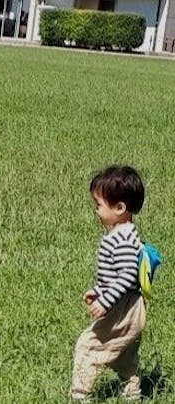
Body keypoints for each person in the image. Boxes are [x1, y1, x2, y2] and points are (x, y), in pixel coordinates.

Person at [70, 166, 148, 401]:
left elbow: (127, 275)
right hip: (130, 305)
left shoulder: (121, 238)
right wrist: (98, 290)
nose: (96, 210)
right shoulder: (126, 232)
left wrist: (105, 300)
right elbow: (115, 275)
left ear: (120, 208)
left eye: (99, 205)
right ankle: (132, 392)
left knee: (88, 346)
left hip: (122, 308)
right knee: (123, 353)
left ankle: (80, 395)